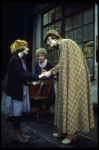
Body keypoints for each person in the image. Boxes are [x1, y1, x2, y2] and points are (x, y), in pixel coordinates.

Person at [43, 30, 95, 144]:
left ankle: (72, 133)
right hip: (68, 77)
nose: (48, 43)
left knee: (70, 103)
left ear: (54, 37)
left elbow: (63, 64)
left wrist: (50, 72)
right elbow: (64, 64)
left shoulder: (66, 43)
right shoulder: (62, 46)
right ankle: (65, 129)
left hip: (74, 79)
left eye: (48, 40)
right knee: (63, 102)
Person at [1, 39, 44, 143]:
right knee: (15, 114)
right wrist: (39, 76)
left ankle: (19, 132)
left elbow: (24, 75)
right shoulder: (15, 60)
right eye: (26, 46)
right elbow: (24, 75)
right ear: (21, 48)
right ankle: (16, 134)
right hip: (14, 91)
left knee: (17, 114)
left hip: (17, 90)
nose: (28, 48)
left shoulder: (17, 59)